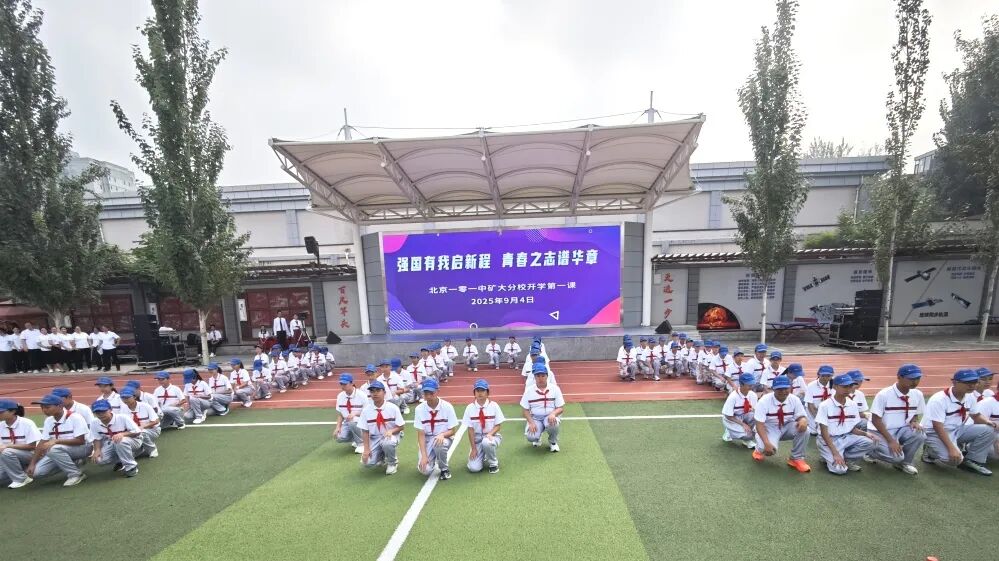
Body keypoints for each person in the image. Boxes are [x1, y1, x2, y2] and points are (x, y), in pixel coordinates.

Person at [921, 368, 997, 475]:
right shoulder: (939, 399)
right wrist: (951, 448)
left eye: (974, 382)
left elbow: (976, 415)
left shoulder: (970, 396)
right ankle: (930, 451)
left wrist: (988, 422)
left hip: (958, 429)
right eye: (967, 382)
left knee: (989, 429)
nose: (972, 385)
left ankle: (973, 460)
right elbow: (938, 427)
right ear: (954, 382)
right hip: (934, 432)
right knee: (953, 460)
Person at [867, 364, 927, 475]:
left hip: (901, 429)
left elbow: (915, 413)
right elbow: (875, 420)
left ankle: (905, 463)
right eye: (911, 378)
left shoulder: (918, 394)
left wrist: (914, 421)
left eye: (918, 378)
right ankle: (868, 451)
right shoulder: (884, 394)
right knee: (896, 458)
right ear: (899, 377)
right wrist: (891, 441)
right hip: (880, 431)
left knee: (920, 434)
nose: (915, 382)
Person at [815, 374, 875, 475]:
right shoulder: (824, 405)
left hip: (846, 437)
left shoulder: (852, 404)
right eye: (844, 386)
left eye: (850, 386)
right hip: (829, 440)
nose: (848, 389)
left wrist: (866, 434)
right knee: (840, 470)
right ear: (835, 386)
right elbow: (824, 433)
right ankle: (829, 455)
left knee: (871, 442)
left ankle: (846, 459)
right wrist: (835, 453)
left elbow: (852, 429)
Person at [27, 394, 92, 486]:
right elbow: (42, 442)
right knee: (36, 473)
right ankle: (74, 463)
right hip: (61, 450)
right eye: (42, 407)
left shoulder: (75, 417)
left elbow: (80, 441)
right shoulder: (49, 420)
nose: (44, 410)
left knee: (53, 449)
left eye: (47, 407)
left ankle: (75, 475)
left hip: (83, 448)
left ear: (60, 406)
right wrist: (32, 463)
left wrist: (56, 441)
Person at [752, 375, 811, 473]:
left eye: (786, 388)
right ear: (773, 389)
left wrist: (803, 420)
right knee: (766, 449)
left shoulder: (794, 399)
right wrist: (766, 443)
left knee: (805, 430)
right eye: (779, 389)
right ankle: (758, 450)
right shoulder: (764, 401)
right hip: (769, 427)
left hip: (787, 425)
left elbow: (801, 416)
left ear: (790, 387)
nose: (783, 391)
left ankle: (796, 459)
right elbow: (759, 424)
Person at [414, 378, 460, 479]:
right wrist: (424, 456)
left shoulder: (447, 407)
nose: (429, 396)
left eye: (431, 393)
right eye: (426, 393)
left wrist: (442, 435)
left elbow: (453, 431)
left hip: (444, 438)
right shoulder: (419, 409)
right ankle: (431, 459)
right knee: (424, 470)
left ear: (437, 391)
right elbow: (421, 435)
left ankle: (444, 469)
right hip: (427, 440)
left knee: (439, 444)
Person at [88, 399, 143, 478]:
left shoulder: (122, 417)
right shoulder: (94, 422)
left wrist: (122, 434)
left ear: (110, 409)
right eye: (97, 412)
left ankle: (131, 467)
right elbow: (97, 438)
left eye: (103, 411)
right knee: (99, 460)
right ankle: (121, 460)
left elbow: (137, 432)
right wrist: (97, 450)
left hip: (134, 440)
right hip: (112, 442)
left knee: (120, 441)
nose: (101, 414)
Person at [359, 380, 403, 475]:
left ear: (384, 392)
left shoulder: (393, 408)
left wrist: (391, 431)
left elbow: (401, 426)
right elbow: (365, 431)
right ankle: (380, 456)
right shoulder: (366, 410)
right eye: (372, 391)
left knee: (388, 443)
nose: (375, 393)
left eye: (378, 390)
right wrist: (366, 449)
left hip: (390, 436)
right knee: (367, 462)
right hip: (374, 438)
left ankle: (392, 463)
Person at [463, 378, 505, 474]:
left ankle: (493, 463)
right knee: (474, 468)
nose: (480, 393)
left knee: (487, 442)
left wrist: (490, 434)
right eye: (477, 390)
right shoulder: (469, 408)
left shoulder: (494, 406)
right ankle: (481, 453)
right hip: (477, 439)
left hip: (492, 437)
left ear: (487, 393)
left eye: (482, 390)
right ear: (474, 393)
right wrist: (473, 448)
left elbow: (498, 426)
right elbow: (470, 430)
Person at [521, 363, 565, 452]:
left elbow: (560, 408)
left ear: (547, 376)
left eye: (543, 375)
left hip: (550, 417)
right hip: (535, 418)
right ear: (534, 377)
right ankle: (537, 437)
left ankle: (553, 442)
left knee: (553, 424)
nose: (540, 378)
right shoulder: (529, 390)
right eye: (537, 376)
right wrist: (531, 422)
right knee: (531, 437)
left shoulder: (555, 389)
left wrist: (553, 414)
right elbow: (525, 410)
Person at [0, 398, 41, 488]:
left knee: (7, 452)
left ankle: (20, 479)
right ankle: (20, 469)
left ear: (13, 411)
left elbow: (32, 446)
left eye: (1, 412)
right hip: (9, 456)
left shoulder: (27, 423)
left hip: (31, 454)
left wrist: (8, 445)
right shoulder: (1, 426)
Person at [721, 373, 759, 449]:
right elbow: (728, 416)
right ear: (741, 384)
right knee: (747, 435)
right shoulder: (733, 397)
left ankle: (747, 441)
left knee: (754, 416)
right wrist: (743, 424)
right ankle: (729, 432)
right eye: (749, 385)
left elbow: (753, 411)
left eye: (752, 384)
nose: (752, 386)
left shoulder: (753, 395)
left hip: (744, 416)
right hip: (731, 419)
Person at [119, 388, 160, 459]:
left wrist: (142, 427)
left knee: (141, 432)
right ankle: (140, 448)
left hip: (152, 430)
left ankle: (152, 449)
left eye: (127, 397)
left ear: (134, 397)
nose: (125, 400)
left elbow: (156, 421)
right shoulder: (123, 409)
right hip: (134, 432)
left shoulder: (145, 406)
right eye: (123, 398)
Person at [334, 373, 368, 453]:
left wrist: (355, 414)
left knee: (353, 420)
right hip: (348, 422)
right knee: (339, 437)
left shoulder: (361, 395)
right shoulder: (340, 396)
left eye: (345, 384)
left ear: (352, 383)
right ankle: (357, 439)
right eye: (341, 384)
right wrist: (338, 427)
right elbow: (340, 414)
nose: (343, 386)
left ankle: (362, 444)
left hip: (362, 422)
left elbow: (368, 413)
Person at [804, 365, 835, 435]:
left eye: (828, 376)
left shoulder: (834, 385)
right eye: (823, 375)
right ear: (818, 374)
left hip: (828, 411)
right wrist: (818, 418)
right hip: (813, 411)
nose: (825, 378)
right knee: (814, 432)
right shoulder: (811, 385)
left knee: (831, 431)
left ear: (832, 376)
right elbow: (810, 405)